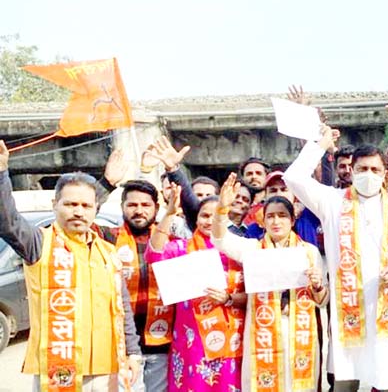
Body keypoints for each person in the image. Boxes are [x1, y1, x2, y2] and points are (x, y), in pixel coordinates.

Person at [283, 125, 388, 391]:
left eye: (375, 170)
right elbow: (293, 177)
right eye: (362, 169)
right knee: (346, 383)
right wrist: (318, 145)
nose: (368, 175)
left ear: (384, 174)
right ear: (352, 171)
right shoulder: (332, 202)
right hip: (349, 311)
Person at [0, 140, 142, 391]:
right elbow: (8, 221)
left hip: (106, 367)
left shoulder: (108, 252)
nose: (78, 211)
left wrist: (132, 352)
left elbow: (123, 308)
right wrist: (1, 175)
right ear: (55, 205)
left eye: (86, 206)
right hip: (60, 368)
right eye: (70, 204)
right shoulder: (38, 244)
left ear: (96, 209)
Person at [210, 174, 328, 391]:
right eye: (270, 216)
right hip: (262, 331)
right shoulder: (252, 249)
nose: (276, 221)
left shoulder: (309, 252)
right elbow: (219, 239)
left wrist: (318, 285)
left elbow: (322, 301)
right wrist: (221, 208)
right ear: (262, 220)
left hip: (299, 330)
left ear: (292, 221)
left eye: (282, 216)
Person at [145, 195, 247, 392]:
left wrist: (229, 299)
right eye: (204, 215)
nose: (209, 221)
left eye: (216, 215)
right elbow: (154, 254)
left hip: (232, 339)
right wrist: (169, 214)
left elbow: (253, 296)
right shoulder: (182, 248)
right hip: (192, 341)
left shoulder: (238, 251)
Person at [103, 180, 177, 392]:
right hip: (122, 344)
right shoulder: (107, 238)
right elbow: (80, 214)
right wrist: (106, 184)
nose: (139, 211)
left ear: (156, 208)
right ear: (122, 207)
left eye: (146, 205)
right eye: (132, 205)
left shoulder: (173, 242)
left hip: (162, 343)